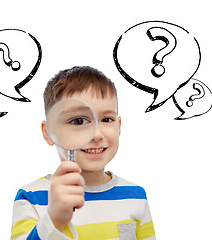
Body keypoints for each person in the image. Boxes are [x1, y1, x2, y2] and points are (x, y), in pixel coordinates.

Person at [10, 66, 156, 240]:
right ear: (48, 132)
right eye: (79, 121)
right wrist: (54, 220)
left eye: (107, 119)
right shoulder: (32, 197)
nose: (96, 134)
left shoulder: (136, 195)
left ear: (119, 126)